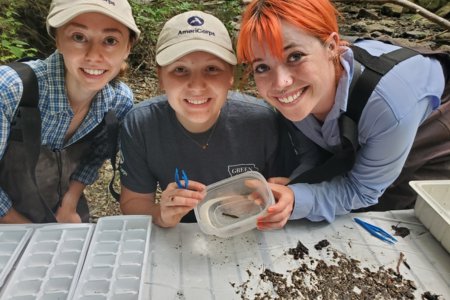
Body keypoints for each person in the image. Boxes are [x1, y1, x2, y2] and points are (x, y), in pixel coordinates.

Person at [236, 0, 448, 228]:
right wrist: (297, 186)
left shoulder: (388, 103)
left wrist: (298, 199)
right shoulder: (291, 93)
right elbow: (312, 155)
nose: (280, 84)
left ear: (331, 46)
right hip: (368, 118)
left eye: (295, 56)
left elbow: (363, 191)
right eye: (262, 67)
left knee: (389, 211)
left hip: (428, 128)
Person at [119, 11, 298, 228]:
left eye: (212, 69)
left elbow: (289, 187)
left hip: (253, 232)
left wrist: (281, 203)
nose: (196, 86)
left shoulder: (262, 120)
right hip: (181, 240)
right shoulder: (141, 125)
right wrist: (161, 214)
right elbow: (133, 202)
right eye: (180, 70)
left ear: (231, 75)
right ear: (161, 77)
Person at [0, 0, 140, 224]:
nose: (94, 55)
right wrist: (27, 232)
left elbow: (93, 159)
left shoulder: (119, 102)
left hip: (61, 218)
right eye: (79, 37)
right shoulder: (9, 89)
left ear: (127, 48)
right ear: (58, 39)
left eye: (110, 40)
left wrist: (69, 203)